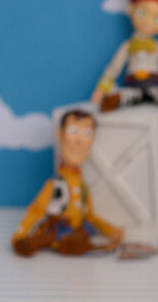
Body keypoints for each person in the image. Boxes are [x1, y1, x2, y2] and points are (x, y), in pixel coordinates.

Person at [12, 109, 124, 256]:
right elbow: (36, 210)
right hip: (58, 229)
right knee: (53, 236)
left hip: (77, 231)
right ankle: (32, 243)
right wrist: (19, 234)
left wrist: (110, 230)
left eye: (86, 133)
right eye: (73, 131)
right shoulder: (54, 185)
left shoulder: (83, 187)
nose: (79, 141)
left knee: (81, 236)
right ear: (60, 134)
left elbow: (90, 215)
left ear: (92, 139)